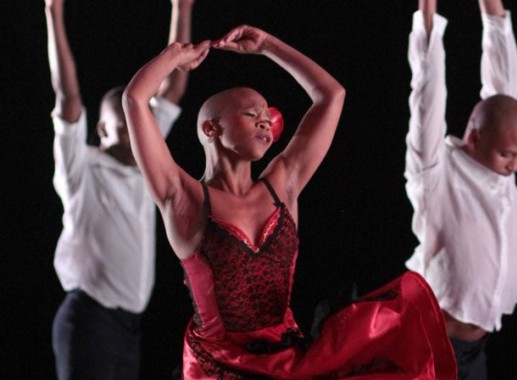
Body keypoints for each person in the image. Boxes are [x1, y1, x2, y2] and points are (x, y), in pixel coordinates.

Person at [123, 23, 457, 379]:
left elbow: (331, 95)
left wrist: (269, 46)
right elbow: (135, 100)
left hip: (288, 360)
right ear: (211, 129)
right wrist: (174, 56)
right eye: (252, 114)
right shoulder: (184, 198)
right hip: (220, 367)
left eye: (268, 116)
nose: (265, 121)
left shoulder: (282, 185)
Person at [45, 0, 196, 378]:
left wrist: (182, 8)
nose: (134, 135)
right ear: (101, 130)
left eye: (137, 125)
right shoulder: (82, 167)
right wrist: (54, 12)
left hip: (130, 326)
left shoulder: (146, 159)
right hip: (89, 318)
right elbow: (68, 99)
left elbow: (173, 88)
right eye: (122, 126)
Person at [404, 0, 517, 378]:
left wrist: (492, 8)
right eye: (508, 154)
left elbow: (502, 79)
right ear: (475, 136)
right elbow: (426, 95)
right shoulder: (435, 172)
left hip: (475, 350)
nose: (514, 166)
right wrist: (427, 12)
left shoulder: (502, 168)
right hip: (431, 347)